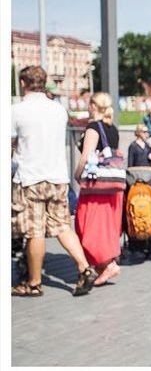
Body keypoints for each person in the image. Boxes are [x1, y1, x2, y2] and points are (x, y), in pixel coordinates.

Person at [10, 66, 98, 297]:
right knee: (61, 226)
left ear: (22, 83)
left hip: (30, 177)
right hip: (58, 177)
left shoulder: (16, 110)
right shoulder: (58, 110)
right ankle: (84, 268)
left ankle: (34, 282)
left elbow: (10, 144)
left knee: (34, 230)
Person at [74, 91, 123, 286]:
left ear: (94, 106)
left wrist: (77, 175)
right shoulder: (113, 128)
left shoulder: (94, 128)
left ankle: (108, 264)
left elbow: (86, 156)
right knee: (106, 227)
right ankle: (102, 265)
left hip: (96, 187)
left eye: (89, 102)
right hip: (112, 185)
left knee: (87, 225)